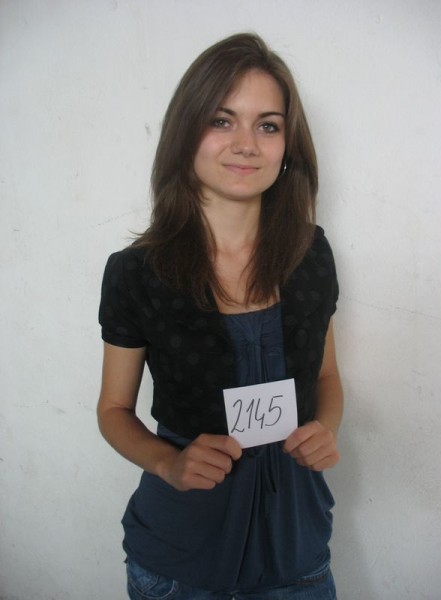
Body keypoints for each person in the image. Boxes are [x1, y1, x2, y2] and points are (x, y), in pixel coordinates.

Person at [98, 32, 343, 600]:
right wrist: (168, 464)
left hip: (298, 554)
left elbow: (328, 377)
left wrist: (326, 429)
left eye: (268, 125)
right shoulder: (135, 272)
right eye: (221, 120)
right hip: (180, 563)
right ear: (187, 133)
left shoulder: (311, 254)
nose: (246, 144)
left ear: (288, 146)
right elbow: (113, 410)